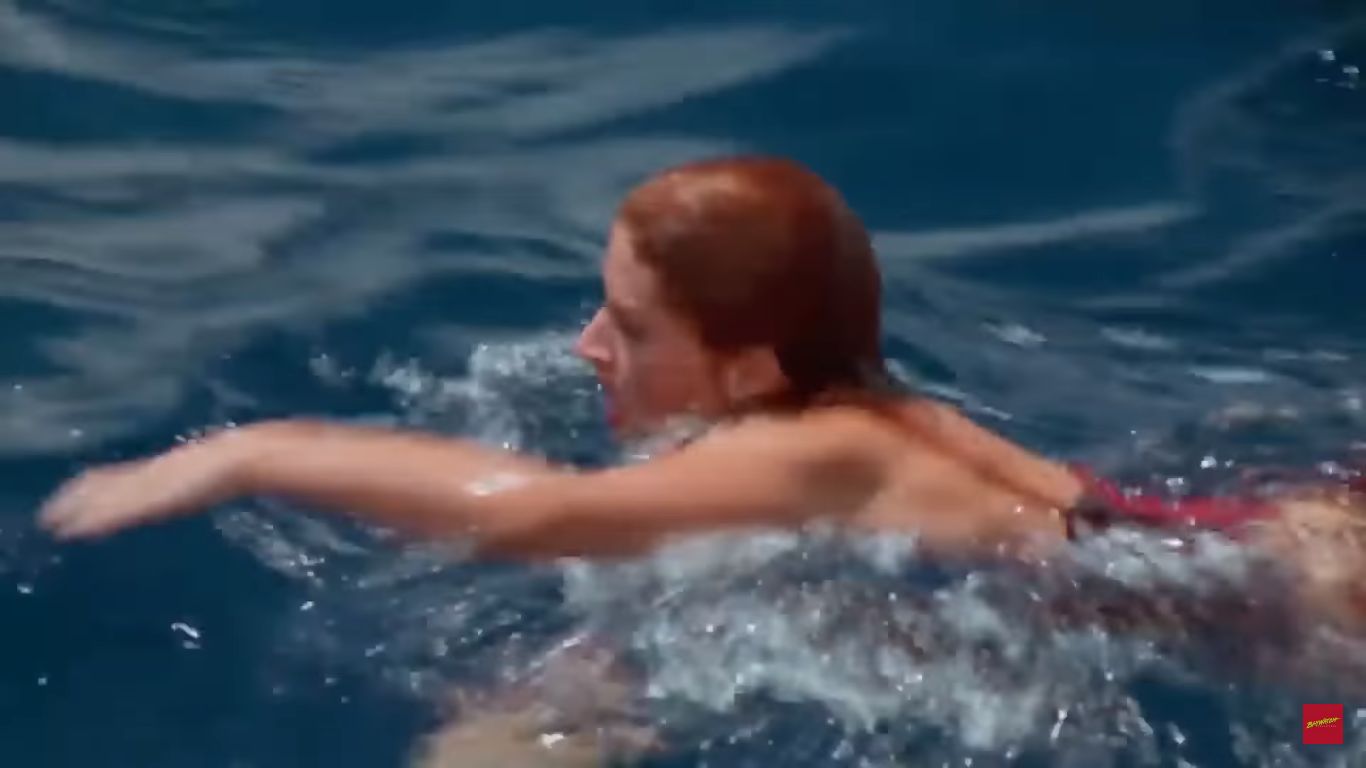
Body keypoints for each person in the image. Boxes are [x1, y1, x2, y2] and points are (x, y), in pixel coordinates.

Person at [37, 155, 1366, 620]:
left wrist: (248, 451)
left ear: (747, 367)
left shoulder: (800, 451)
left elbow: (529, 514)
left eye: (628, 327)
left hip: (1298, 606)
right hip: (1267, 547)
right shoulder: (865, 415)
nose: (586, 349)